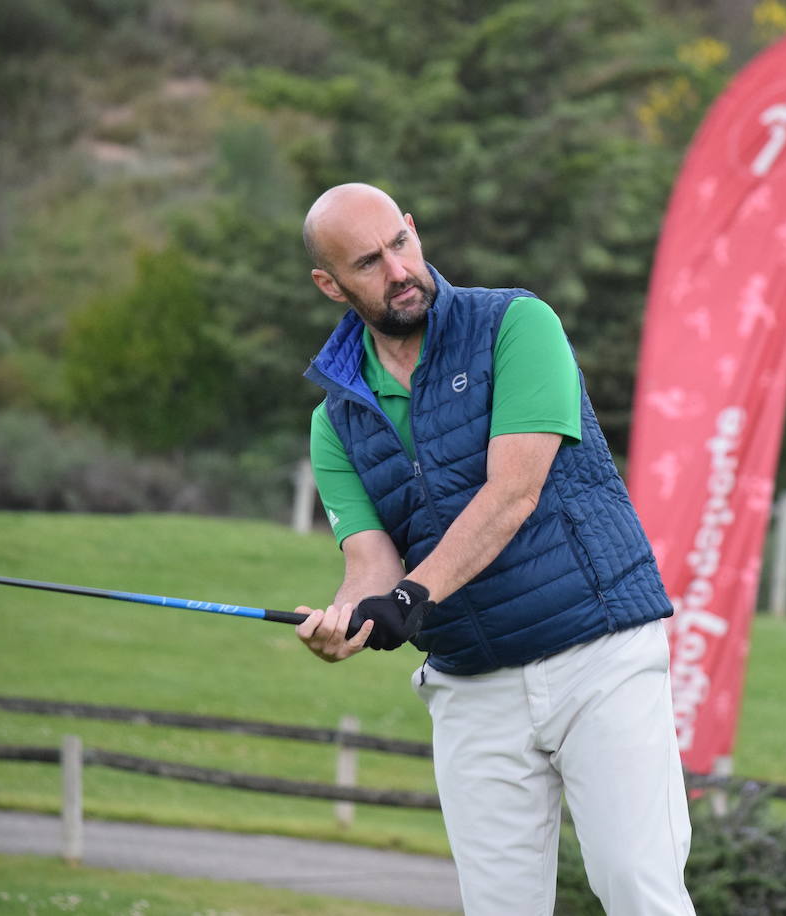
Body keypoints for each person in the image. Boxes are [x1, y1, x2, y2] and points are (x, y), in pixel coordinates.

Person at [293, 183, 696, 916]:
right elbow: (371, 562)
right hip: (472, 684)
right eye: (368, 263)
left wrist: (409, 600)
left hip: (597, 656)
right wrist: (345, 618)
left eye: (400, 244)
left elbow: (514, 493)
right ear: (330, 285)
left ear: (414, 230)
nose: (399, 270)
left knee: (638, 887)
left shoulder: (517, 323)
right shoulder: (335, 424)